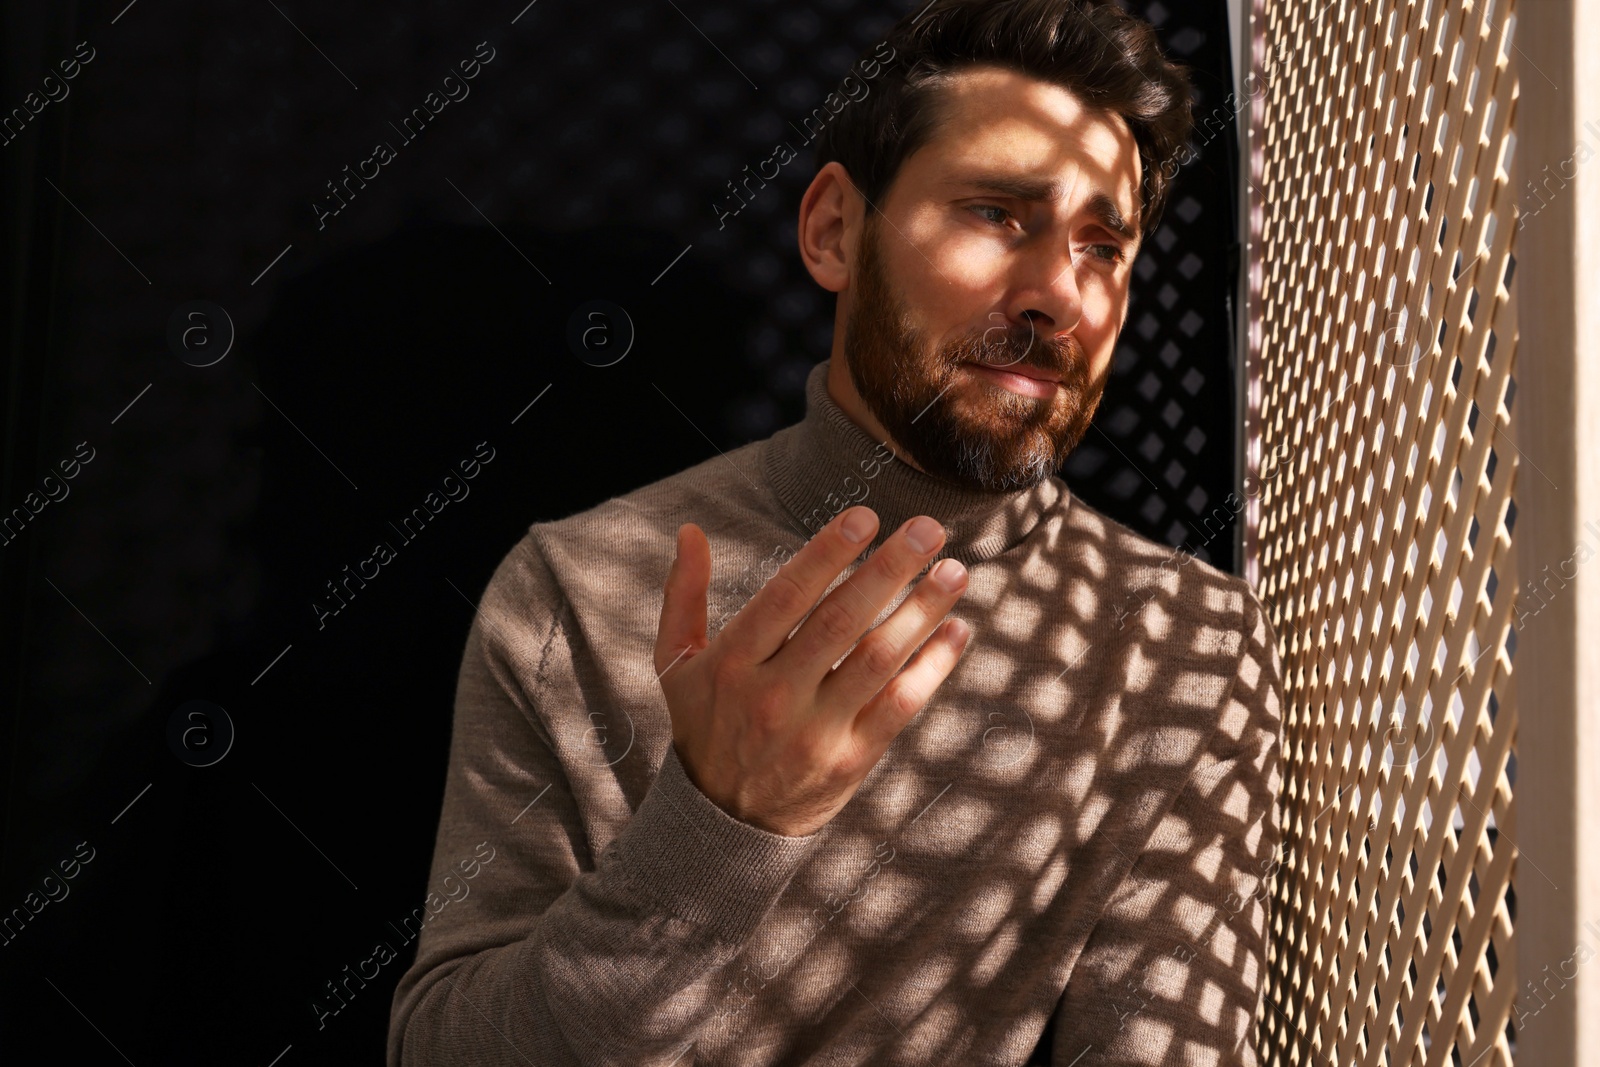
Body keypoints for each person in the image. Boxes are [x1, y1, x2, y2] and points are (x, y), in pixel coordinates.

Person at [387, 1, 1285, 1063]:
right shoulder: (579, 588)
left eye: (1103, 245)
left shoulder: (1182, 643)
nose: (1057, 295)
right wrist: (714, 828)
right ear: (832, 231)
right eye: (997, 213)